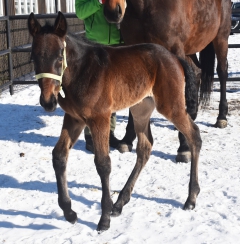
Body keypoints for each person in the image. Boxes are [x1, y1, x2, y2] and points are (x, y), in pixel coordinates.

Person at [75, 0, 135, 153]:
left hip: (118, 44)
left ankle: (109, 132)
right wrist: (98, 2)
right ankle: (90, 135)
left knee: (111, 93)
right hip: (95, 45)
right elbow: (80, 12)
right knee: (92, 93)